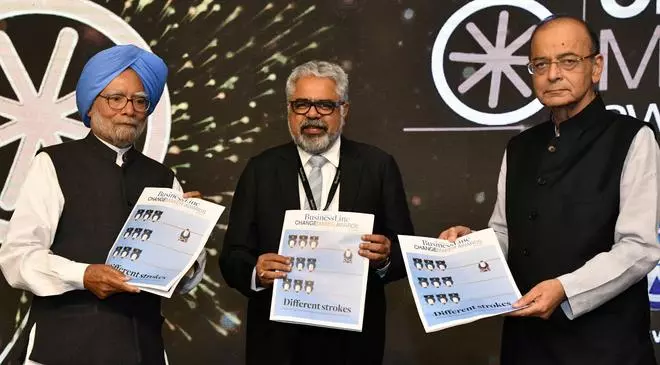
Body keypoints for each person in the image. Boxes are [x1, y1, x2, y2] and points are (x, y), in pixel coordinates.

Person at [440, 15, 660, 365]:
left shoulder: (633, 137)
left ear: (596, 67)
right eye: (541, 64)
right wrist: (470, 246)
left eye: (568, 61)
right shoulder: (520, 146)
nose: (553, 74)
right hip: (525, 343)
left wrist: (565, 289)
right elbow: (503, 232)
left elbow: (639, 248)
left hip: (604, 347)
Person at [0, 45, 206, 365]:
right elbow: (18, 257)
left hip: (143, 349)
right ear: (91, 105)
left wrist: (188, 241)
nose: (129, 109)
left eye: (140, 100)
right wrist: (83, 275)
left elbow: (179, 280)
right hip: (64, 349)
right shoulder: (53, 164)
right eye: (116, 98)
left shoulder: (164, 177)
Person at [220, 60, 414, 365]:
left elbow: (405, 251)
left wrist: (386, 257)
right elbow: (232, 256)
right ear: (289, 110)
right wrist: (255, 271)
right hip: (277, 343)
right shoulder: (260, 169)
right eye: (301, 105)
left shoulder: (378, 167)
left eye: (324, 105)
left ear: (343, 110)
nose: (312, 114)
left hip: (354, 343)